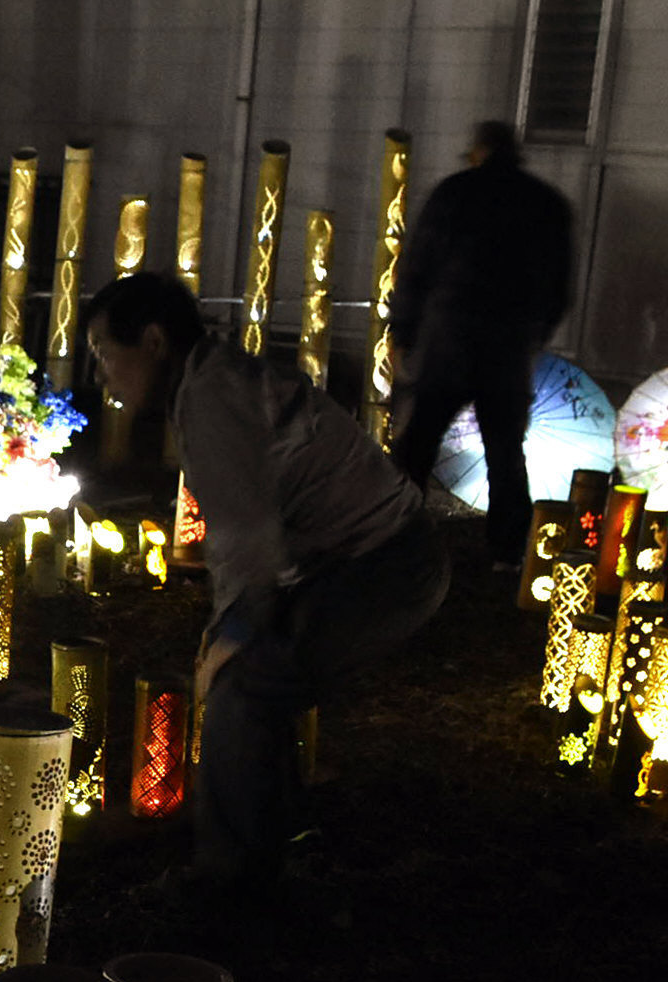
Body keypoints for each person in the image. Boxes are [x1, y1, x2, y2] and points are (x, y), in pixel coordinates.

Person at [85, 272, 446, 895]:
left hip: (384, 566)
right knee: (255, 670)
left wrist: (232, 634)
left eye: (103, 354)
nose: (102, 375)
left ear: (150, 341)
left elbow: (250, 537)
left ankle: (233, 885)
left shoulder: (210, 399)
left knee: (246, 685)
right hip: (361, 559)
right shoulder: (211, 381)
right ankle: (274, 833)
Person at [390, 119, 575, 567]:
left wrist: (404, 332)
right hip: (508, 343)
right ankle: (508, 550)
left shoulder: (452, 194)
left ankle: (393, 532)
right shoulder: (548, 204)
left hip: (449, 337)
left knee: (419, 441)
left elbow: (417, 268)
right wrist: (537, 333)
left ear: (478, 151)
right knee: (505, 450)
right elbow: (560, 285)